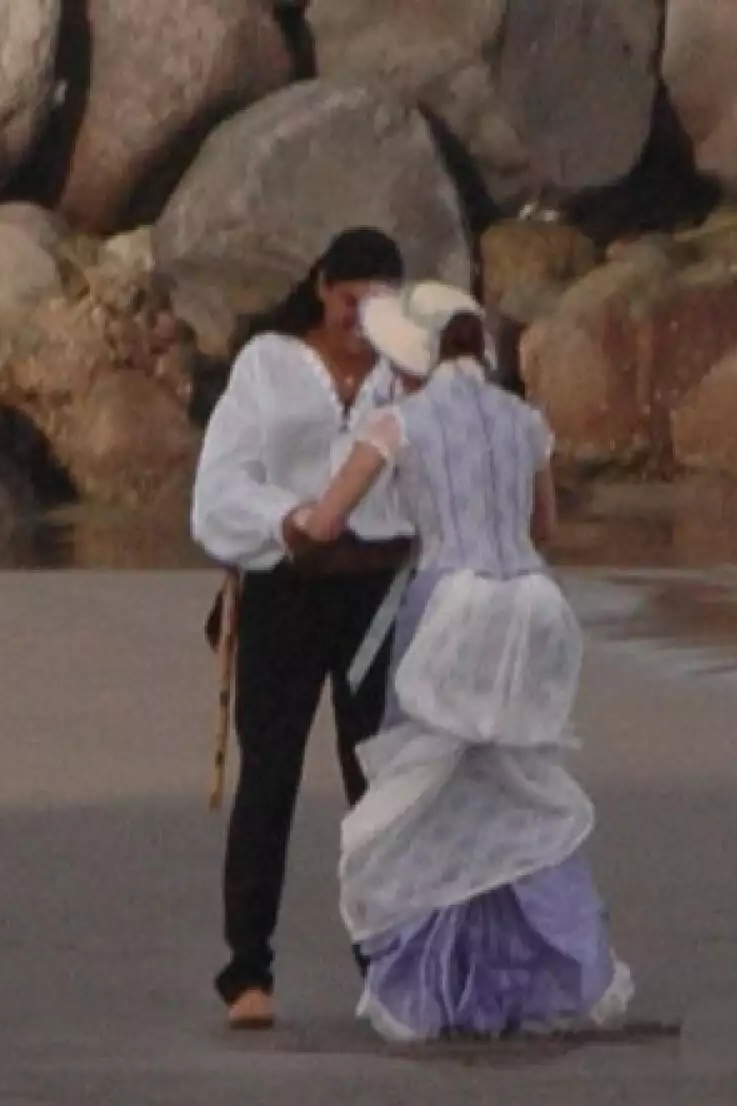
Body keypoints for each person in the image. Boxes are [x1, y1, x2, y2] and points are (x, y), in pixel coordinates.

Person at [288, 281, 634, 1042]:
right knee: (514, 783)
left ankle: (433, 981)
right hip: (534, 610)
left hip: (451, 608)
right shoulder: (524, 420)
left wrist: (287, 528)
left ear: (412, 358)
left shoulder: (398, 422)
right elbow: (543, 527)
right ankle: (536, 969)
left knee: (428, 790)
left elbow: (327, 518)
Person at [191, 228, 416, 1031]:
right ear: (323, 288)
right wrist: (286, 522)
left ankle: (390, 962)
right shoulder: (269, 363)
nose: (364, 317)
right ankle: (247, 969)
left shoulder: (408, 375)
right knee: (271, 775)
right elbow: (220, 483)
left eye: (382, 302)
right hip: (285, 587)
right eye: (353, 299)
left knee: (380, 784)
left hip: (376, 594)